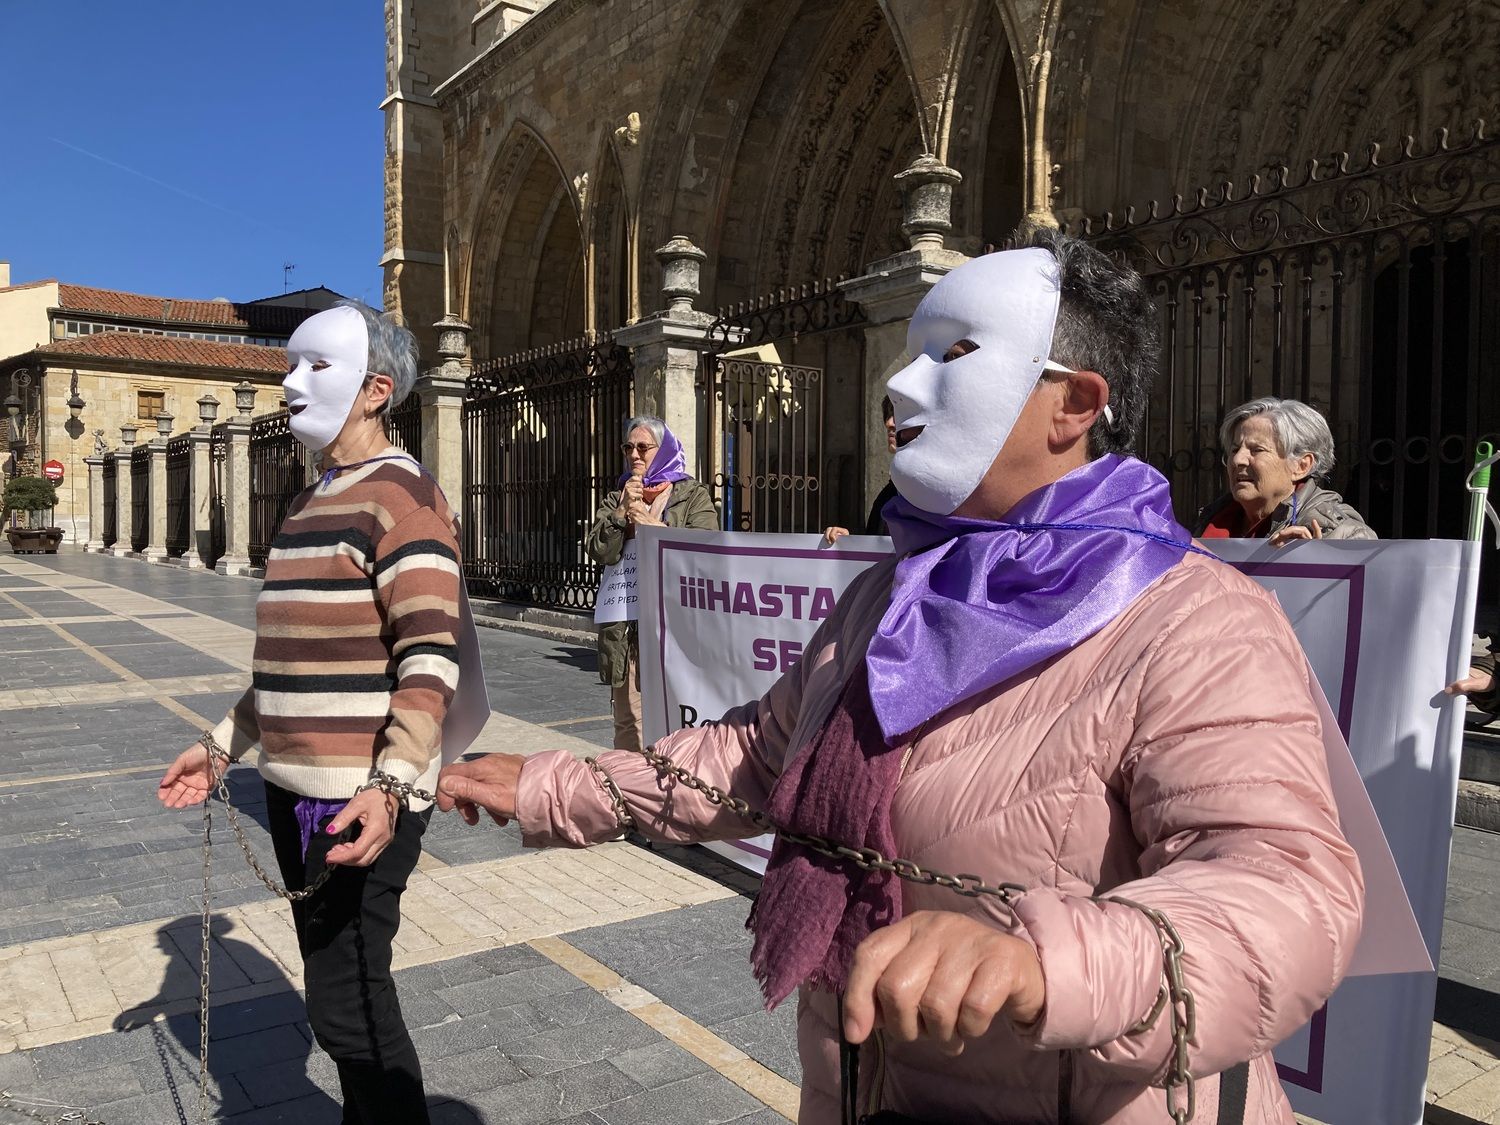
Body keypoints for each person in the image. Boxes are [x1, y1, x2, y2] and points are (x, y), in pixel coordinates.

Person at [437, 229, 1364, 1123]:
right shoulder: (891, 590)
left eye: (954, 351)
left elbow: (1286, 888)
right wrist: (563, 782)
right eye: (911, 349)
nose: (898, 382)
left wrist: (1056, 962)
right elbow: (761, 758)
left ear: (1074, 404)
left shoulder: (1194, 619)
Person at [157, 301, 459, 1125]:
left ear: (375, 390)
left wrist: (394, 783)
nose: (289, 382)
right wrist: (223, 744)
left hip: (360, 795)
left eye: (314, 367)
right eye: (289, 364)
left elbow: (432, 658)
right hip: (293, 790)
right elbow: (289, 665)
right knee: (341, 999)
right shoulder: (306, 502)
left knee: (348, 1005)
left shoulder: (405, 499)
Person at [586, 415, 717, 752]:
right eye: (628, 447)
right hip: (627, 627)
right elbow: (598, 550)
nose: (634, 455)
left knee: (675, 717)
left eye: (643, 447)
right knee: (629, 718)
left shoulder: (691, 495)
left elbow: (705, 549)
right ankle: (628, 791)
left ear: (664, 450)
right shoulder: (616, 497)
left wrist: (652, 527)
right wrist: (619, 516)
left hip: (675, 626)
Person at [1195, 396, 1376, 544]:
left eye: (1257, 450)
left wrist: (1317, 562)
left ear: (1301, 466)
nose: (1237, 460)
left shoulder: (1342, 534)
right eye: (1235, 450)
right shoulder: (1209, 522)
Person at [824, 395, 898, 546]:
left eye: (899, 415)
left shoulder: (929, 493)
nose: (889, 423)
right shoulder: (890, 491)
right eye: (888, 415)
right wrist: (849, 541)